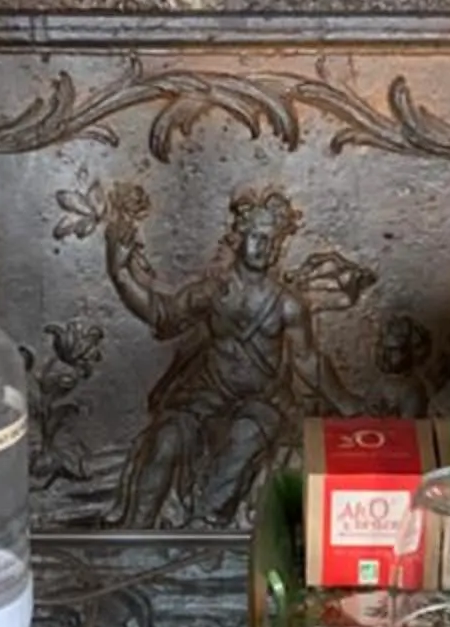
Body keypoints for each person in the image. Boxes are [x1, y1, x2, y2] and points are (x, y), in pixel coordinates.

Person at [103, 182, 372, 524]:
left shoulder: (288, 304)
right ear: (240, 238)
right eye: (258, 237)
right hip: (204, 395)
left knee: (245, 436)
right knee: (167, 439)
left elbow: (308, 361)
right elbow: (163, 315)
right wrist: (120, 274)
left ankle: (208, 531)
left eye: (272, 240)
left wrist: (348, 405)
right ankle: (134, 536)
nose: (265, 247)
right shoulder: (215, 292)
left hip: (261, 401)